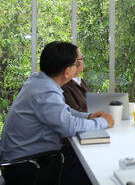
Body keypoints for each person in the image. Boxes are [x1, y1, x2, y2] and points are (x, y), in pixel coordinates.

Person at [0, 41, 114, 184]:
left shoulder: (39, 81)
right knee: (95, 170)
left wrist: (89, 116)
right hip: (28, 167)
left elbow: (65, 112)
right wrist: (103, 122)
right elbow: (69, 127)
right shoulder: (45, 92)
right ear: (67, 71)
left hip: (29, 159)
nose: (79, 67)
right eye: (76, 64)